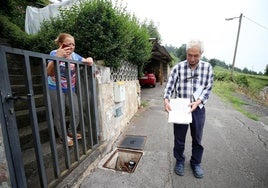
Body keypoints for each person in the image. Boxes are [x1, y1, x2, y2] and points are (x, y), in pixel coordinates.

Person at [163, 39, 214, 178]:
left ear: (201, 53)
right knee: (179, 138)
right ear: (186, 53)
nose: (192, 58)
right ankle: (179, 160)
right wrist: (166, 99)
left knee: (197, 138)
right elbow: (169, 86)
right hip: (181, 108)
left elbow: (208, 88)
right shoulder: (178, 68)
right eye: (189, 55)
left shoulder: (207, 68)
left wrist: (198, 102)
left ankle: (195, 162)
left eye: (196, 56)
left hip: (198, 108)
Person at [47, 33, 93, 147]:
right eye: (68, 44)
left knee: (76, 111)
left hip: (70, 88)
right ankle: (63, 137)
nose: (71, 47)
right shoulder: (54, 53)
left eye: (73, 44)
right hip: (55, 87)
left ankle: (71, 131)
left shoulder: (74, 56)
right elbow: (48, 72)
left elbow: (85, 60)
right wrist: (57, 57)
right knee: (59, 114)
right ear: (60, 44)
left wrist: (89, 59)